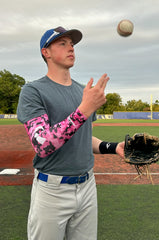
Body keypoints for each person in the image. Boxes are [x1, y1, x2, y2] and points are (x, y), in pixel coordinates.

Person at [17, 26, 125, 240]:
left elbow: (83, 137)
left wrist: (113, 147)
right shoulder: (33, 91)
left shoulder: (80, 91)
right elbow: (43, 144)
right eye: (62, 43)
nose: (71, 49)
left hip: (87, 186)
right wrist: (84, 109)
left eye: (72, 44)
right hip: (52, 190)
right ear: (45, 52)